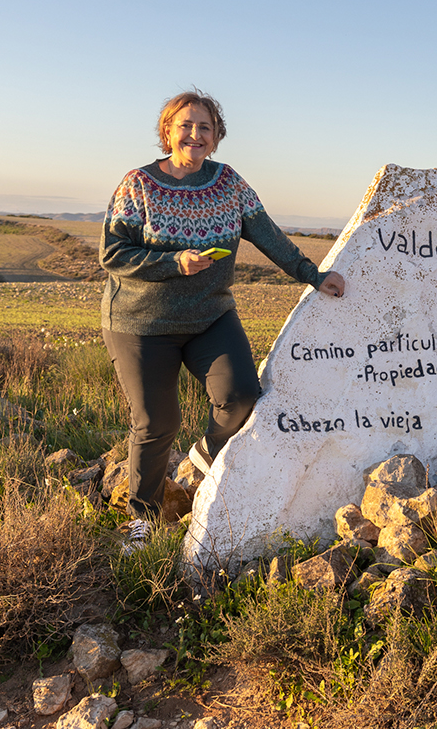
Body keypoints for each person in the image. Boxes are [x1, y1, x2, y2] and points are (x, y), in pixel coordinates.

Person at [100, 90, 346, 545]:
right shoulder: (139, 184)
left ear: (216, 138)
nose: (195, 134)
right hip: (140, 324)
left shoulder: (227, 183)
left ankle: (208, 460)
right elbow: (112, 253)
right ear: (168, 132)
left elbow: (268, 234)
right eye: (186, 125)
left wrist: (313, 274)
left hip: (210, 316)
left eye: (205, 127)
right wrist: (174, 263)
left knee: (240, 396)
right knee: (156, 422)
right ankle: (142, 518)